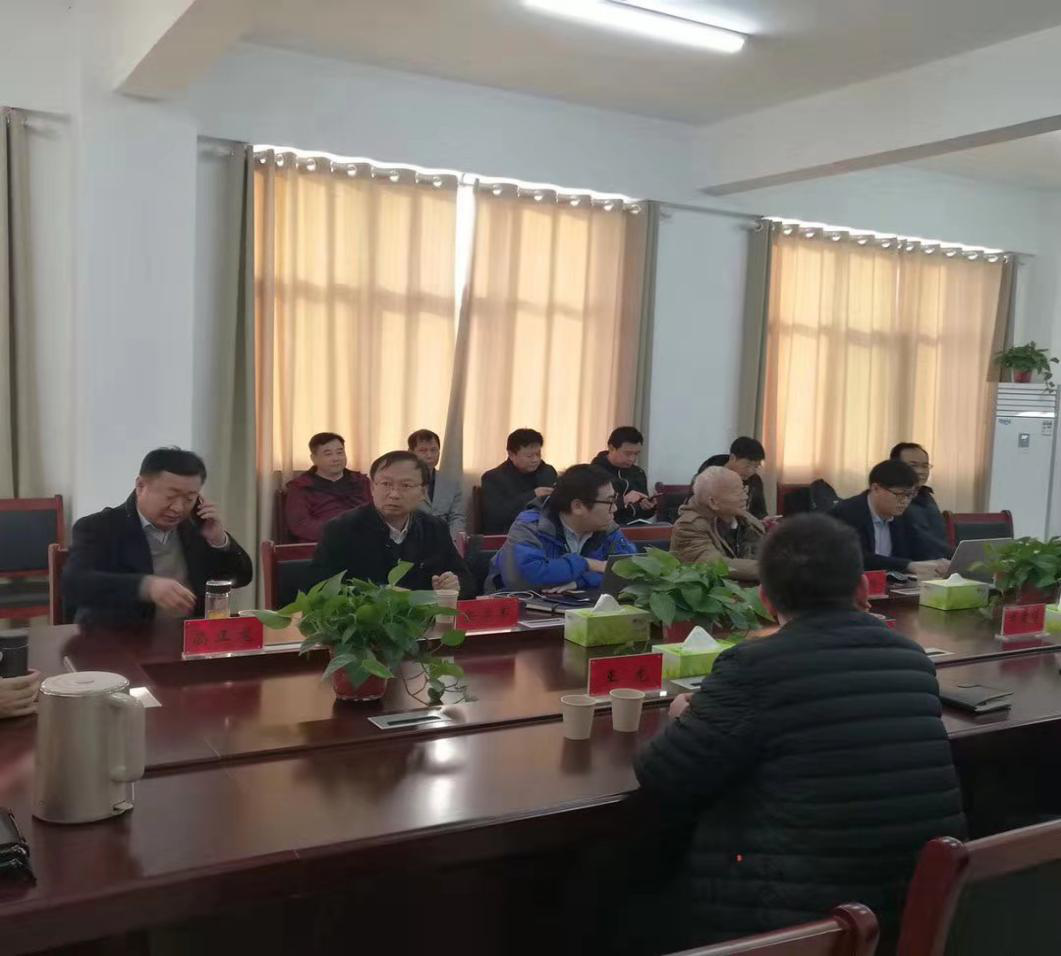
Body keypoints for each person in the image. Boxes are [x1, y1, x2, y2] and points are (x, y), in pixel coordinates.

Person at [634, 514, 966, 948]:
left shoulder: (753, 666)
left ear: (765, 599)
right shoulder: (912, 658)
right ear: (862, 589)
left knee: (632, 902)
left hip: (800, 925)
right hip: (915, 911)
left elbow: (663, 774)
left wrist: (683, 717)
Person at [63, 448, 253, 628]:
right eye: (170, 496)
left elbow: (242, 577)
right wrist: (147, 587)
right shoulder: (100, 526)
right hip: (120, 638)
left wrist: (218, 540)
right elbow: (75, 584)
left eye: (189, 499)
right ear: (140, 486)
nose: (178, 508)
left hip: (189, 638)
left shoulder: (197, 527)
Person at [311, 451, 476, 599]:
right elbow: (320, 589)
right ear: (372, 487)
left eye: (406, 485)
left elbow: (467, 581)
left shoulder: (435, 528)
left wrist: (454, 586)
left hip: (424, 620)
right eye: (386, 484)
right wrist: (380, 594)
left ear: (423, 492)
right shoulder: (341, 529)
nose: (394, 494)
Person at [486, 464, 636, 592]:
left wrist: (582, 581)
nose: (615, 508)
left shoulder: (607, 527)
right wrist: (586, 563)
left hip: (579, 604)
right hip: (518, 605)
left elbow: (632, 570)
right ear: (578, 507)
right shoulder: (530, 525)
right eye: (609, 502)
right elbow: (524, 577)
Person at [831, 459, 950, 579]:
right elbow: (858, 557)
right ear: (875, 488)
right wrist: (907, 565)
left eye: (909, 495)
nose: (905, 501)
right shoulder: (846, 513)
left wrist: (943, 561)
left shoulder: (905, 515)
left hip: (893, 585)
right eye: (899, 494)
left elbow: (923, 544)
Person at [671, 467, 764, 581]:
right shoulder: (688, 526)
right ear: (713, 502)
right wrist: (773, 569)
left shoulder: (744, 517)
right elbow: (715, 565)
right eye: (737, 493)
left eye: (743, 490)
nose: (745, 497)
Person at [284, 432, 371, 543]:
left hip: (365, 540)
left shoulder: (361, 481)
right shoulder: (301, 486)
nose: (336, 458)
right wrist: (339, 531)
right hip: (323, 543)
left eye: (340, 452)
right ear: (314, 458)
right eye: (328, 454)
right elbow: (300, 524)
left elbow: (378, 512)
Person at [479, 428, 559, 534]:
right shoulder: (493, 478)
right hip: (510, 535)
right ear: (511, 455)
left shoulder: (547, 472)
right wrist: (533, 495)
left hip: (545, 533)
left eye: (538, 454)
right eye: (529, 456)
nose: (535, 459)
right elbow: (496, 515)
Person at [891, 441, 951, 559]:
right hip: (911, 565)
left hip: (940, 562)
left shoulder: (927, 496)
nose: (921, 471)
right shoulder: (892, 499)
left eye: (925, 466)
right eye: (913, 465)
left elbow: (940, 538)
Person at [591, 426, 657, 526]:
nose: (632, 459)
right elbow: (591, 510)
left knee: (665, 526)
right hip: (605, 528)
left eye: (636, 454)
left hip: (636, 527)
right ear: (611, 448)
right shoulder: (594, 472)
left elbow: (644, 514)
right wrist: (623, 501)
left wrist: (649, 507)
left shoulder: (638, 472)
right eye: (627, 453)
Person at [408, 429, 465, 539]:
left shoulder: (451, 483)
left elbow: (457, 518)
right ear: (411, 453)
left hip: (445, 539)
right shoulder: (402, 483)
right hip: (413, 539)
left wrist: (451, 541)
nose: (429, 455)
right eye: (423, 450)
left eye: (434, 450)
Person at [696, 437, 768, 520]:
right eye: (747, 465)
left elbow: (759, 512)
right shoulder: (707, 479)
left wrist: (764, 520)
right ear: (732, 458)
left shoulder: (755, 480)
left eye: (756, 466)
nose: (751, 471)